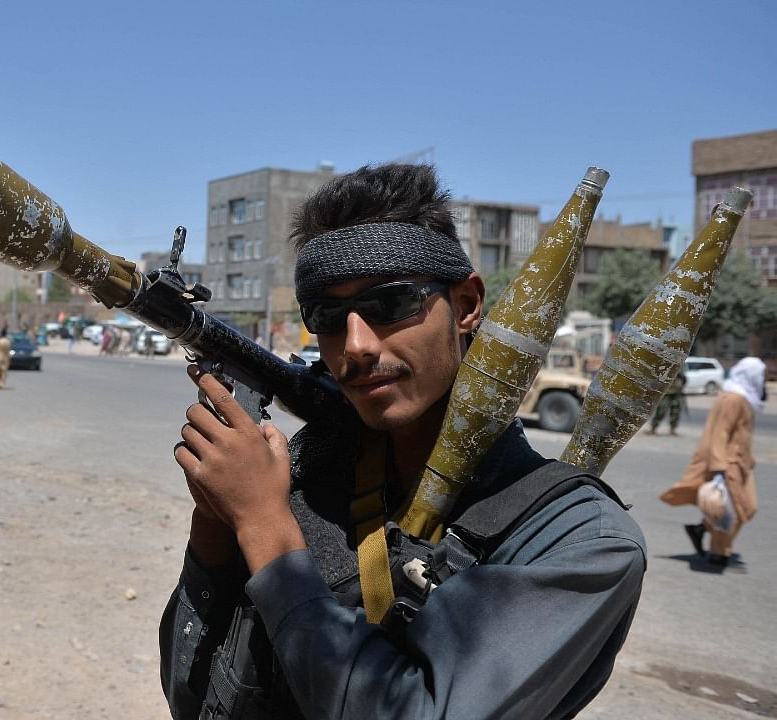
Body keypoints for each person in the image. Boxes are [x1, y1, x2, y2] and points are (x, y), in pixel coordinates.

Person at [160, 164, 646, 720]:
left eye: (390, 304)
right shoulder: (304, 477)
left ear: (466, 306)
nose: (357, 345)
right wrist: (217, 520)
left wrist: (262, 528)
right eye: (329, 316)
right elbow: (192, 695)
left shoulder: (577, 542)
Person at [659, 356, 764, 570]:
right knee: (732, 509)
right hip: (728, 464)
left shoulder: (741, 397)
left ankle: (702, 528)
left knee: (748, 508)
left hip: (742, 464)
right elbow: (719, 433)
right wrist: (719, 468)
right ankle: (719, 554)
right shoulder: (732, 398)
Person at [648, 369, 687, 435]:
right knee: (661, 411)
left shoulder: (680, 369)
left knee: (675, 412)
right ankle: (653, 428)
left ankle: (672, 429)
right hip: (666, 393)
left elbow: (684, 379)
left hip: (677, 393)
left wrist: (680, 387)